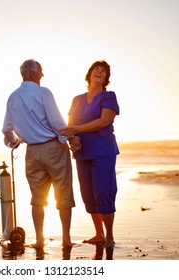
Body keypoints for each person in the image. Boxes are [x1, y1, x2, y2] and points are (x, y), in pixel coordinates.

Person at [2, 59, 81, 249]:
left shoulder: (13, 97)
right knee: (63, 193)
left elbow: (6, 129)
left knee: (37, 198)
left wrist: (15, 142)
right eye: (41, 72)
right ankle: (66, 240)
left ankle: (39, 240)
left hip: (32, 152)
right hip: (53, 149)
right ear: (33, 74)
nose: (43, 75)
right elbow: (56, 122)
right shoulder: (43, 92)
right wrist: (71, 138)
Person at [60, 60, 119, 248]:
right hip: (83, 152)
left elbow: (104, 121)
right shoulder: (77, 99)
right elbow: (70, 126)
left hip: (103, 151)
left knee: (104, 192)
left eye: (103, 71)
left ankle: (109, 235)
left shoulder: (109, 96)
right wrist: (73, 139)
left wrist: (77, 129)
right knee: (89, 195)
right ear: (89, 74)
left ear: (106, 78)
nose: (99, 71)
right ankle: (98, 234)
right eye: (96, 69)